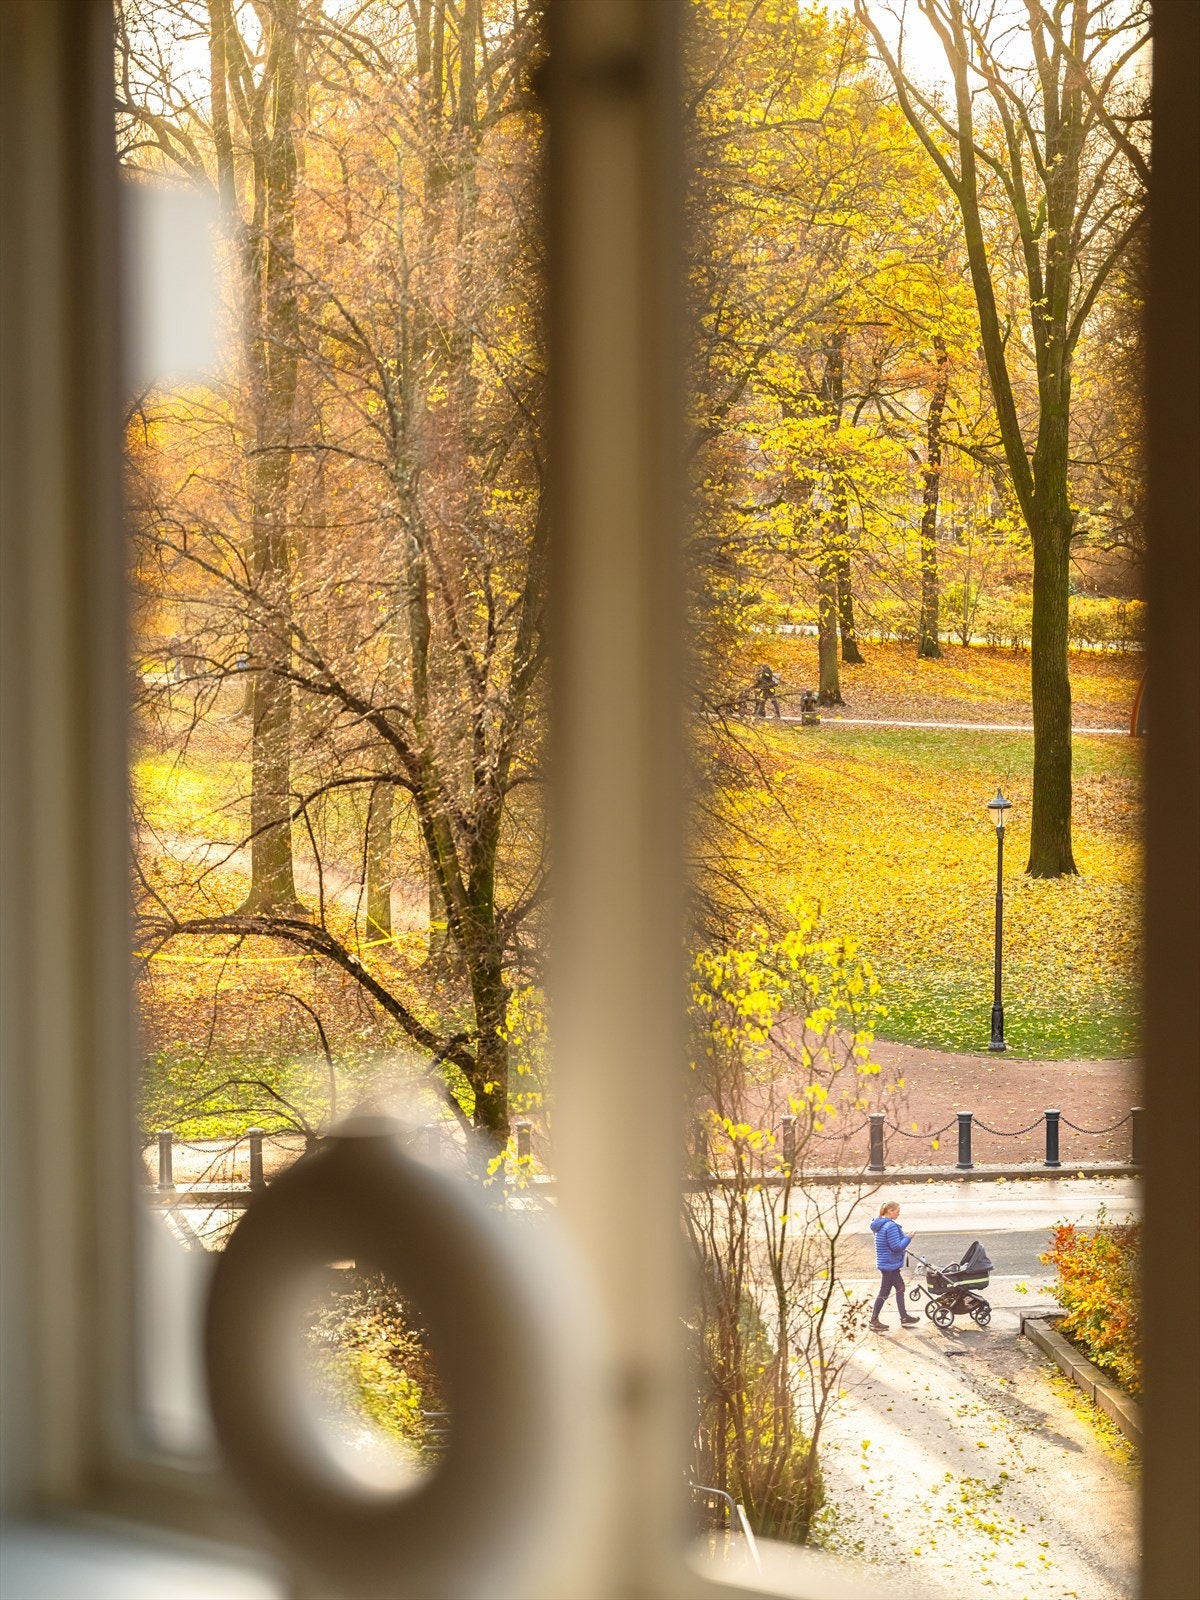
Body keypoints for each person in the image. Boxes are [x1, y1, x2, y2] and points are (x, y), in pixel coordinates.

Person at [869, 1200, 920, 1331]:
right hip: (889, 1265)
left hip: (887, 1263)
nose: (898, 1214)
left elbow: (890, 1243)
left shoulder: (880, 1225)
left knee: (900, 1288)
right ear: (890, 1212)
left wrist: (904, 1240)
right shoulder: (890, 1226)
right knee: (884, 1292)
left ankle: (904, 1317)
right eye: (897, 1212)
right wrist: (908, 1238)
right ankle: (873, 1320)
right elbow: (896, 1247)